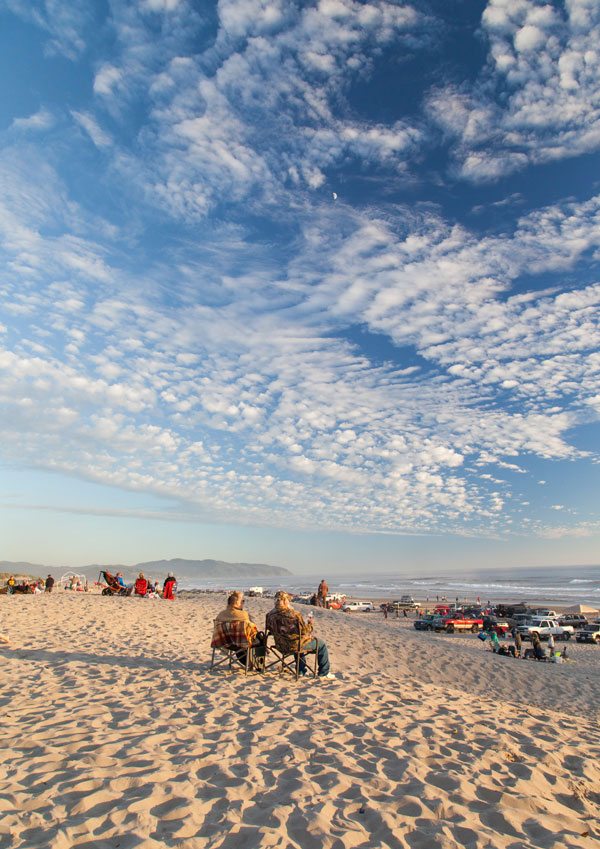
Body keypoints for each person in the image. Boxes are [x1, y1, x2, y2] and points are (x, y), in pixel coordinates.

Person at [266, 591, 334, 678]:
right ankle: (324, 673)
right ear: (286, 601)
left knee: (296, 639)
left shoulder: (270, 615)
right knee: (321, 644)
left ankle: (301, 670)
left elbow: (270, 630)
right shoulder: (294, 615)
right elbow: (304, 631)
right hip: (294, 645)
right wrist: (310, 624)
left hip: (280, 645)